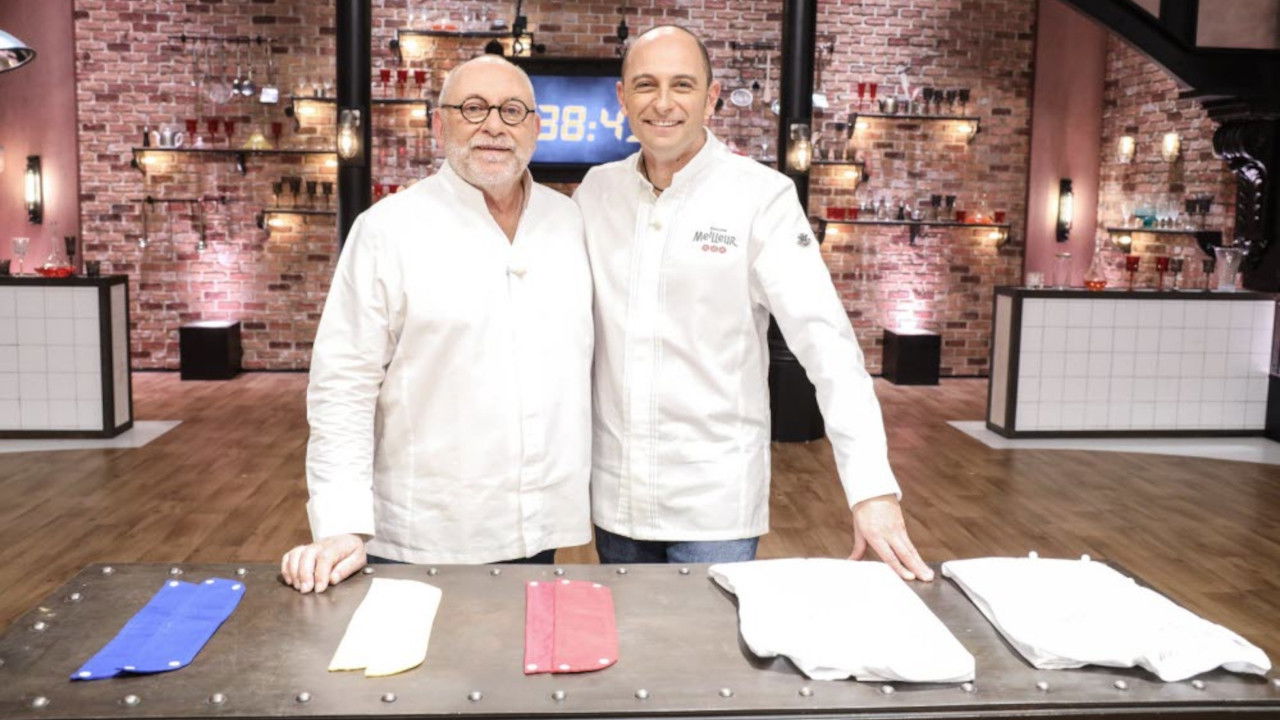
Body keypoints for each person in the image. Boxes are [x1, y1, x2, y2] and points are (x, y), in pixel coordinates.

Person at [573, 26, 933, 580]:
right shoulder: (596, 192)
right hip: (616, 494)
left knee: (709, 635)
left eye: (682, 85)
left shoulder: (761, 196)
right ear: (622, 98)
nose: (663, 102)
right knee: (631, 633)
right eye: (645, 85)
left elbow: (828, 346)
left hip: (714, 500)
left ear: (711, 98)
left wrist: (872, 488)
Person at [281, 55, 594, 593]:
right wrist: (340, 523)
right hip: (422, 533)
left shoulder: (568, 221)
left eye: (512, 111)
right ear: (439, 124)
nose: (493, 125)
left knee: (519, 647)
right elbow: (343, 384)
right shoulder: (388, 229)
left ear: (536, 128)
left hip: (538, 526)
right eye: (473, 108)